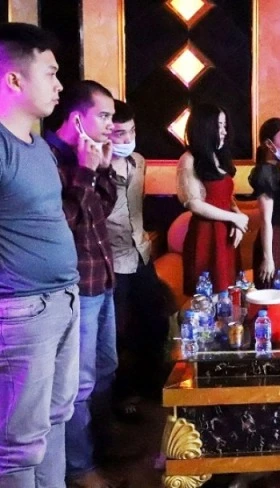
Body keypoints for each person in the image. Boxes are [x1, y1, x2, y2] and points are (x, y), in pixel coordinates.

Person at [0, 23, 80, 487]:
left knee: (55, 420)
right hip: (23, 310)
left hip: (62, 299)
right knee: (18, 445)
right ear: (14, 79)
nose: (59, 85)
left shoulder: (38, 147)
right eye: (50, 73)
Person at [45, 79, 120, 487]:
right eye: (104, 116)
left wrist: (101, 169)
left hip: (101, 277)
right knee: (79, 383)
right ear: (77, 119)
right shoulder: (49, 158)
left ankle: (101, 448)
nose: (111, 125)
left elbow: (100, 210)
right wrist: (86, 172)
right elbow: (61, 225)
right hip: (76, 287)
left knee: (106, 367)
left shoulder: (87, 155)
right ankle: (80, 467)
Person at [107, 100, 170, 418]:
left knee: (155, 320)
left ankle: (151, 385)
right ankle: (121, 395)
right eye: (120, 133)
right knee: (118, 330)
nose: (127, 139)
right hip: (111, 258)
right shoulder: (95, 166)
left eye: (131, 131)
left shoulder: (139, 161)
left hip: (140, 251)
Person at [177, 103, 248, 295]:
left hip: (225, 233)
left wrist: (238, 219)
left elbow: (226, 197)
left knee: (230, 293)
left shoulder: (219, 156)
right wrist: (234, 218)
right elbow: (194, 204)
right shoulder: (189, 159)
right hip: (206, 233)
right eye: (219, 126)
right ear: (205, 128)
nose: (224, 131)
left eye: (225, 126)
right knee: (208, 295)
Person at [250, 118, 280, 289]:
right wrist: (268, 258)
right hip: (275, 239)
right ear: (269, 144)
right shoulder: (266, 172)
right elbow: (266, 220)